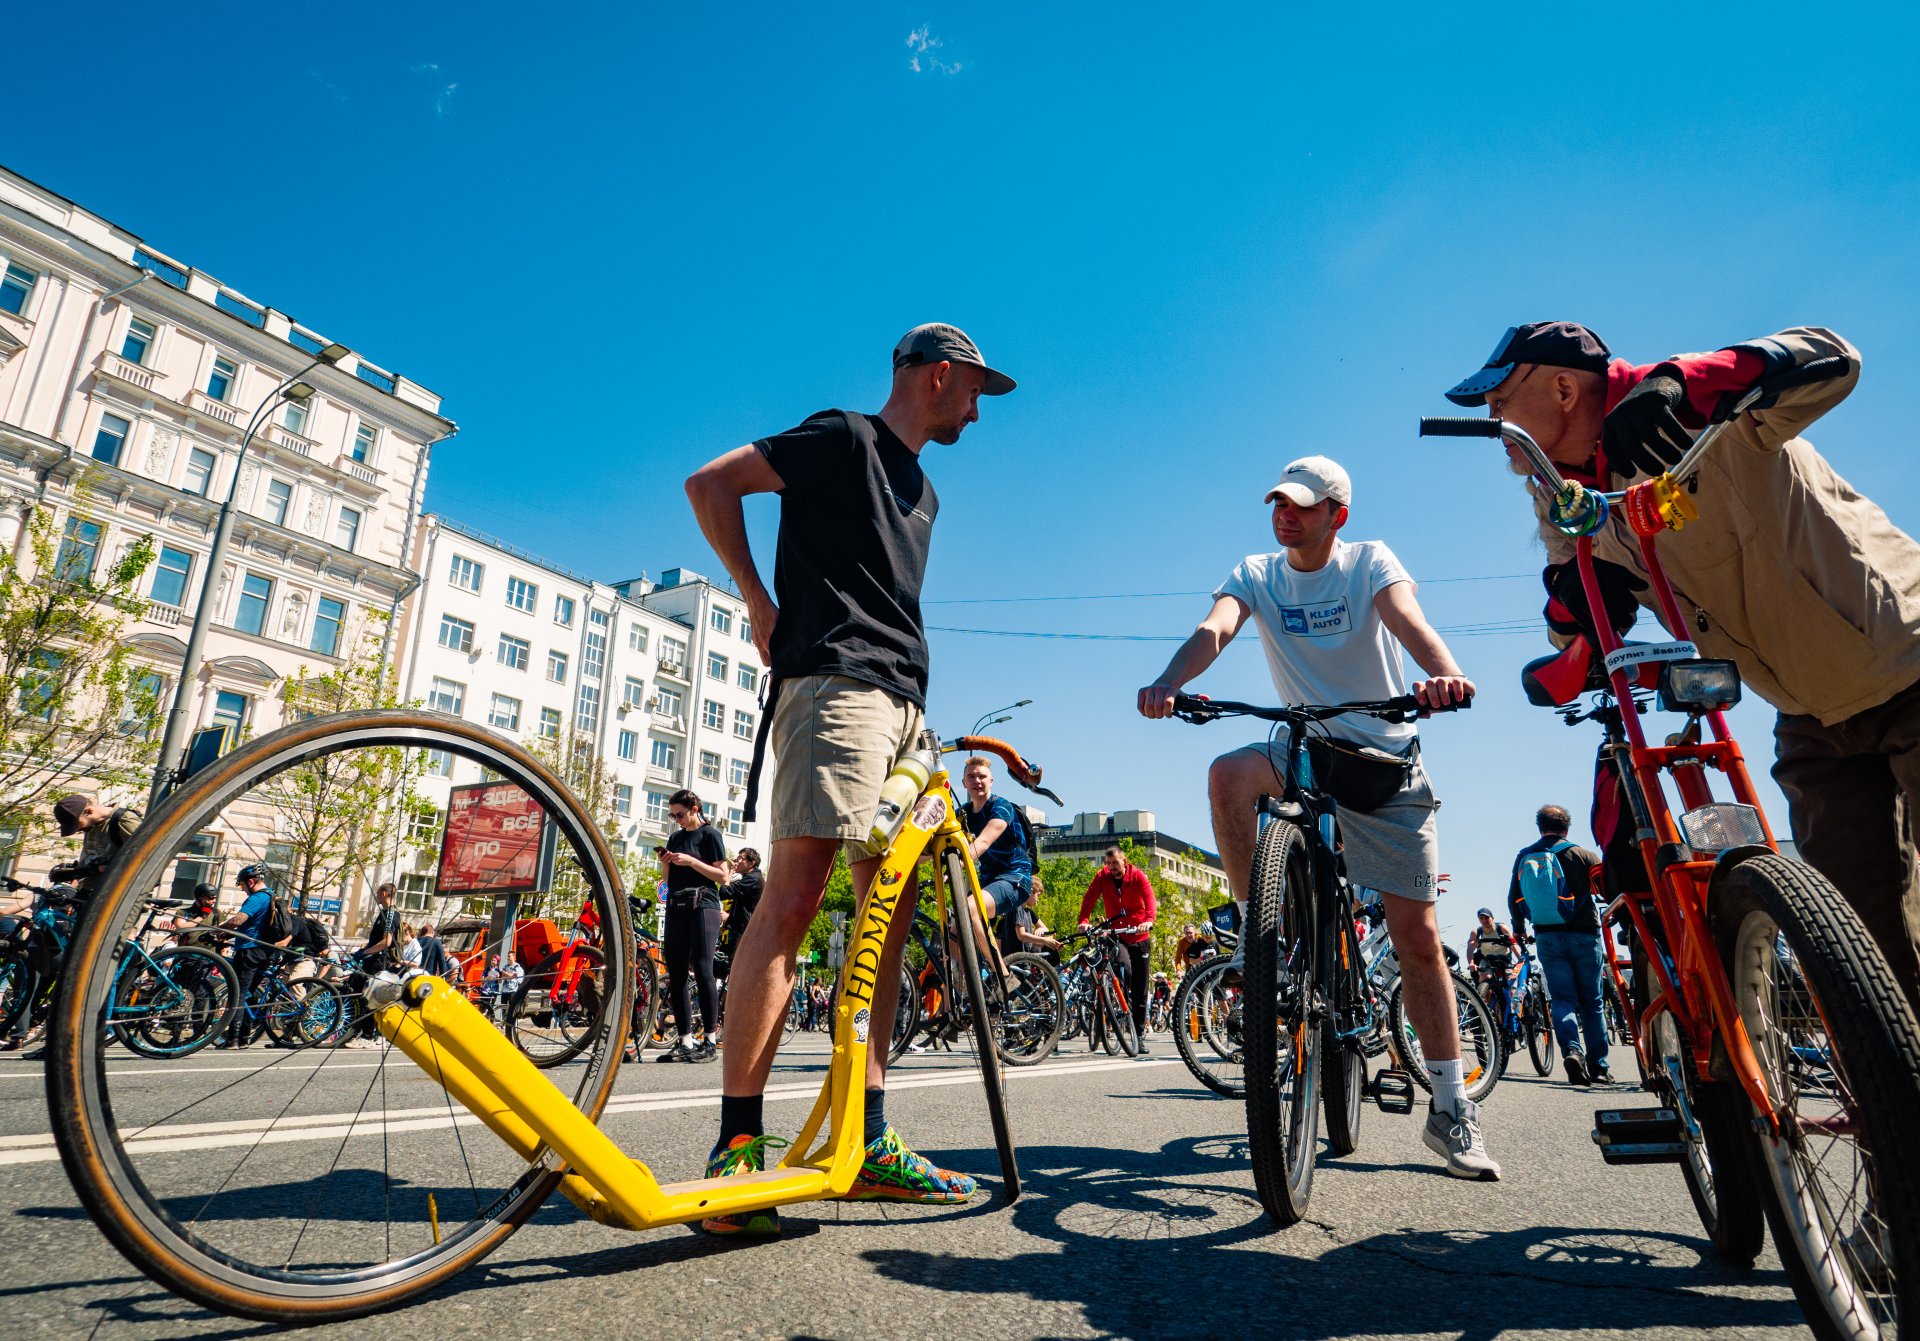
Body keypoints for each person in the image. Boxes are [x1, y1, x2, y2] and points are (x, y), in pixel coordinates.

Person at [1444, 321, 1920, 1017]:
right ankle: (1895, 1117)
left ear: (1565, 387)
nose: (1492, 419)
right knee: (1863, 959)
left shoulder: (1708, 412)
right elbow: (1566, 597)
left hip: (1904, 661)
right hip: (1809, 714)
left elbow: (1837, 358)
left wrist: (1686, 383)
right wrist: (1576, 605)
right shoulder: (1561, 492)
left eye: (1500, 399)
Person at [684, 321, 1015, 1230]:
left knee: (889, 916)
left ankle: (866, 1138)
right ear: (939, 375)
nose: (980, 414)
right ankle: (738, 1145)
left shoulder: (928, 492)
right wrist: (757, 597)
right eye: (976, 392)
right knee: (795, 899)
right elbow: (711, 484)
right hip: (834, 684)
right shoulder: (843, 437)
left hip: (908, 706)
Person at [1137, 454, 1498, 1179]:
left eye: (1303, 504)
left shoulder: (1368, 562)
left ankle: (1453, 1109)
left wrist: (1442, 672)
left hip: (1383, 761)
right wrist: (1171, 681)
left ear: (1338, 513)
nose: (1285, 514)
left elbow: (1409, 620)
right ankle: (1258, 937)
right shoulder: (1258, 572)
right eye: (1278, 502)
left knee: (1418, 937)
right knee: (1229, 773)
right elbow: (1216, 628)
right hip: (1308, 748)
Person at [1507, 804, 1609, 1085]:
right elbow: (1605, 889)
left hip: (1546, 935)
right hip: (1585, 934)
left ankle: (1572, 1051)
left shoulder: (1525, 856)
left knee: (1563, 999)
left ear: (1540, 827)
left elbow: (1513, 898)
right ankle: (1599, 1067)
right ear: (1567, 827)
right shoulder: (1584, 854)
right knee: (1592, 1003)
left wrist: (1519, 929)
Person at [655, 790, 730, 1064]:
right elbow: (669, 880)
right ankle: (685, 1040)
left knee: (702, 969)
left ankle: (710, 1038)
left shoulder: (710, 835)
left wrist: (692, 861)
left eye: (680, 814)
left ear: (695, 809)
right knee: (675, 973)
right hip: (677, 903)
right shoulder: (675, 837)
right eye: (672, 815)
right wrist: (667, 865)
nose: (676, 820)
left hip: (704, 904)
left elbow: (723, 877)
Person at [1077, 846, 1158, 1053]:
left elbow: (1149, 898)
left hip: (1140, 934)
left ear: (1124, 861)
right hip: (1117, 933)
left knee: (1140, 987)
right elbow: (1089, 898)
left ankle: (1138, 1035)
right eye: (1108, 863)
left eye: (1115, 863)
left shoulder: (1138, 876)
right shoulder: (1101, 877)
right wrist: (1084, 920)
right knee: (1125, 968)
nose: (1111, 867)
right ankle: (1118, 1002)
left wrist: (1148, 920)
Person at [959, 755, 1036, 965]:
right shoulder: (963, 814)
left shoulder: (1001, 807)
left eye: (982, 776)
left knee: (969, 907)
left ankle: (1001, 973)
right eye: (971, 777)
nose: (977, 781)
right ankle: (958, 991)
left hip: (1014, 879)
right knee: (953, 928)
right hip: (987, 882)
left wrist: (960, 862)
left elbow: (983, 842)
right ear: (964, 782)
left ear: (991, 781)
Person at [217, 864, 288, 1049]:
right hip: (266, 951)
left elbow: (239, 919)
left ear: (250, 882)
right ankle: (244, 1037)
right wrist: (230, 934)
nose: (242, 889)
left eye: (242, 885)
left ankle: (233, 1038)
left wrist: (219, 929)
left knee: (238, 993)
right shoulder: (273, 896)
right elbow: (254, 925)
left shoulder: (258, 897)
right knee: (249, 993)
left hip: (249, 951)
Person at [49, 793, 142, 899]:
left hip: (116, 897)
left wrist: (98, 869)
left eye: (77, 824)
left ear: (89, 811)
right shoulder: (93, 824)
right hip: (91, 895)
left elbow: (144, 856)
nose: (78, 830)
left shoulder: (123, 820)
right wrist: (75, 873)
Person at [347, 883, 399, 1047]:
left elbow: (386, 942)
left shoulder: (391, 914)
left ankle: (368, 1036)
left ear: (384, 893)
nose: (376, 896)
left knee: (371, 997)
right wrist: (364, 950)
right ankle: (356, 1031)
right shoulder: (384, 912)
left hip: (379, 961)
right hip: (373, 959)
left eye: (378, 893)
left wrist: (366, 952)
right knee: (357, 989)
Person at [720, 848, 764, 976]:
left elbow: (724, 892)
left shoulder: (752, 879)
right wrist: (728, 919)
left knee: (736, 971)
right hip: (740, 929)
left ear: (751, 863)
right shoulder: (749, 878)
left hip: (744, 932)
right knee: (729, 968)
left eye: (741, 858)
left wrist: (731, 870)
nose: (736, 861)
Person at [1466, 908, 1518, 997]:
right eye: (1481, 918)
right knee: (1484, 979)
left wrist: (1520, 959)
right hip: (1487, 960)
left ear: (1492, 918)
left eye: (1486, 918)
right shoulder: (1476, 932)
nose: (1484, 920)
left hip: (1504, 960)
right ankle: (1488, 1008)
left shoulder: (1501, 928)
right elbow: (1470, 949)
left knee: (1512, 990)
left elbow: (1513, 944)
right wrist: (1471, 963)